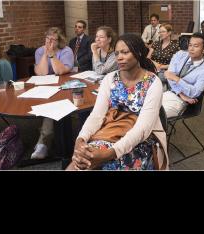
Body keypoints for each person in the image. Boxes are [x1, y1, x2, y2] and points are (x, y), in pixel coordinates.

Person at [67, 33, 168, 170]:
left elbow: (142, 128)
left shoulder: (152, 82)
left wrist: (110, 153)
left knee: (100, 163)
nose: (119, 57)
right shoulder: (110, 78)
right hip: (109, 133)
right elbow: (97, 115)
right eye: (117, 53)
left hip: (139, 139)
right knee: (79, 163)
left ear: (138, 52)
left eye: (125, 52)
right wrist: (81, 140)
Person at [31, 27, 74, 159]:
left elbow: (60, 71)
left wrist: (51, 55)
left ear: (59, 41)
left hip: (64, 87)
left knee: (52, 107)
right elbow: (42, 73)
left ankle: (43, 143)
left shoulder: (66, 51)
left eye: (52, 39)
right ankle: (45, 139)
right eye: (47, 38)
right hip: (45, 87)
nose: (49, 41)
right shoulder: (39, 51)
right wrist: (45, 54)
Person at [162, 32, 204, 118]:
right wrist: (181, 93)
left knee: (156, 116)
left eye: (195, 46)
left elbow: (194, 93)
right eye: (190, 45)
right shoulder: (180, 55)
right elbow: (168, 75)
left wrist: (176, 79)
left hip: (181, 102)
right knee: (143, 108)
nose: (191, 49)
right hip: (169, 92)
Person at [147, 23, 180, 90]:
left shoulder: (175, 46)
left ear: (169, 33)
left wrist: (162, 66)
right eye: (160, 32)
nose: (161, 33)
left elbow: (177, 63)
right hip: (154, 69)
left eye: (163, 32)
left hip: (167, 70)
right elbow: (148, 58)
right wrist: (156, 65)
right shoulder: (156, 44)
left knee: (161, 78)